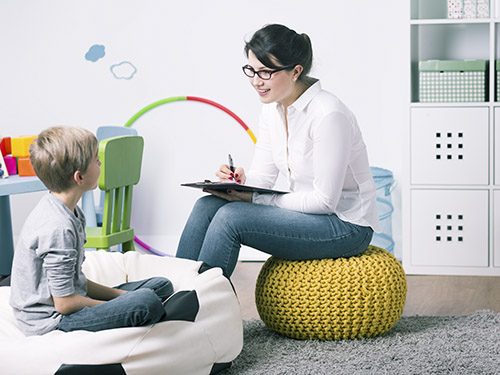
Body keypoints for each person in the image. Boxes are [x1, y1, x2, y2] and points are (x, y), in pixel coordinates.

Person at [176, 24, 380, 277]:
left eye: (265, 72)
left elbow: (325, 202)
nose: (255, 81)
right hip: (304, 214)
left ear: (296, 71)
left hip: (345, 225)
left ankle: (200, 304)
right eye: (250, 70)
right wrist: (240, 182)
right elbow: (262, 178)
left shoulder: (328, 115)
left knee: (231, 217)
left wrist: (253, 198)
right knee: (207, 205)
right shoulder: (272, 110)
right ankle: (173, 292)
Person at [9, 126, 173, 336]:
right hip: (52, 320)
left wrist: (120, 296)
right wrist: (124, 300)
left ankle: (147, 304)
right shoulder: (57, 227)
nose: (100, 164)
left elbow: (78, 281)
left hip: (69, 300)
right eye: (96, 160)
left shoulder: (71, 211)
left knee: (161, 285)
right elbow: (65, 304)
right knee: (146, 302)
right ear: (79, 177)